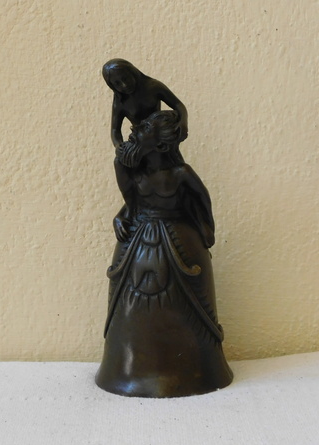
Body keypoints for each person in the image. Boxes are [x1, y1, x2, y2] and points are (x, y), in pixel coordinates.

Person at [95, 111, 233, 398]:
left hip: (181, 243)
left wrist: (206, 234)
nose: (136, 129)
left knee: (186, 309)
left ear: (160, 144)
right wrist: (121, 217)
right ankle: (126, 368)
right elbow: (131, 203)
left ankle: (199, 370)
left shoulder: (181, 174)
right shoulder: (133, 171)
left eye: (144, 128)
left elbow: (203, 202)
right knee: (131, 310)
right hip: (136, 242)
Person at [102, 59, 188, 149]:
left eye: (126, 78)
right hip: (141, 142)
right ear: (112, 86)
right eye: (117, 83)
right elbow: (115, 130)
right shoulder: (120, 102)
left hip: (161, 138)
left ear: (132, 72)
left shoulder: (153, 86)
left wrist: (183, 123)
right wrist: (118, 145)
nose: (124, 85)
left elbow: (178, 105)